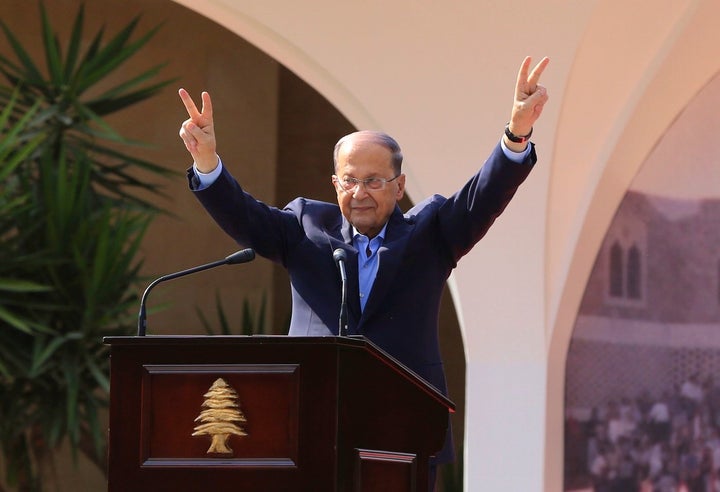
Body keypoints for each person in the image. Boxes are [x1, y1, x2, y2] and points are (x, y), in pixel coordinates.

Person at [178, 56, 549, 491]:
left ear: (398, 184)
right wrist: (207, 162)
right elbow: (244, 217)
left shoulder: (429, 234)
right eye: (350, 180)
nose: (360, 193)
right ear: (335, 184)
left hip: (403, 435)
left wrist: (516, 134)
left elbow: (481, 197)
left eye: (375, 181)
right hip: (311, 427)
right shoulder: (305, 228)